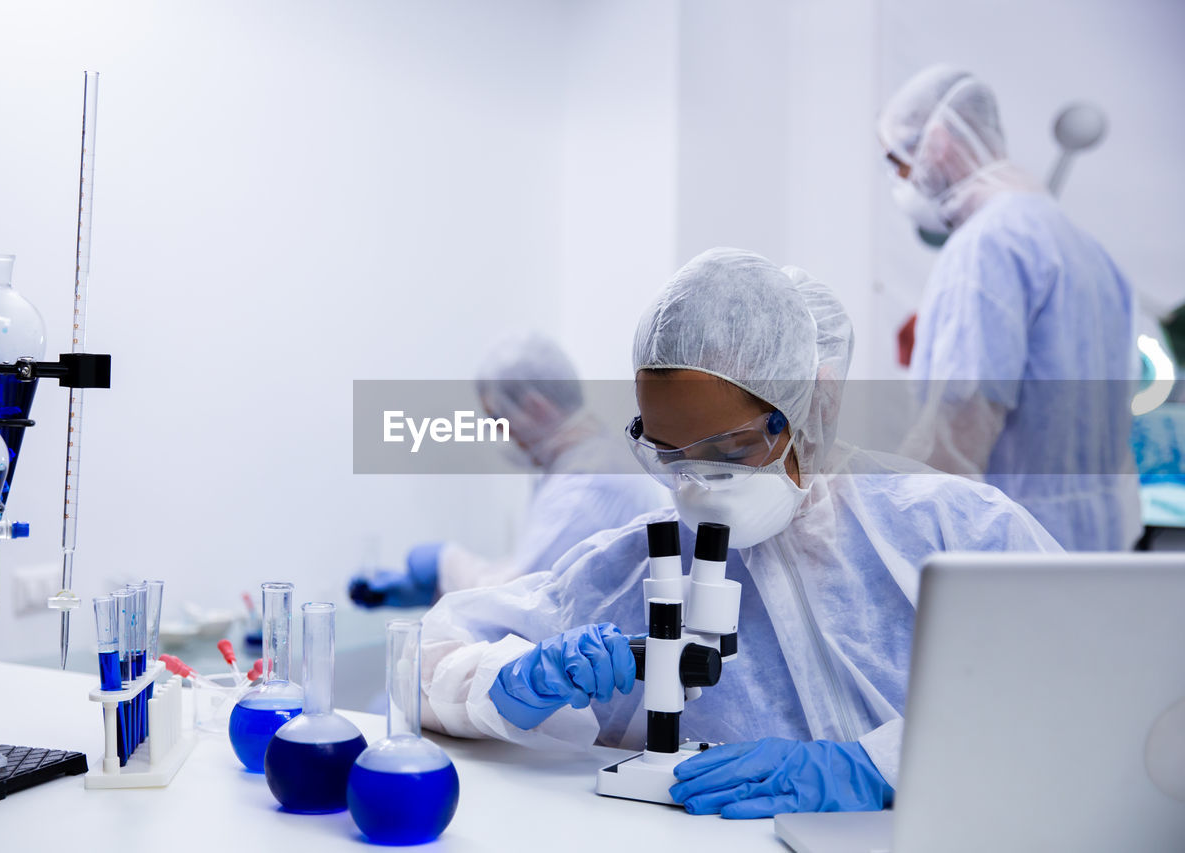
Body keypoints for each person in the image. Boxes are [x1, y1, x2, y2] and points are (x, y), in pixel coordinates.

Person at [418, 248, 1060, 819]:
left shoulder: (955, 527)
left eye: (730, 448)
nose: (699, 484)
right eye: (671, 455)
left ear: (816, 406)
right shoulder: (637, 563)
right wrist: (508, 681)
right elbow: (421, 667)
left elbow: (1084, 682)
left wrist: (882, 764)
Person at [880, 64, 1142, 551]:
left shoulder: (988, 244)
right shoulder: (1085, 248)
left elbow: (960, 416)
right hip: (1102, 542)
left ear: (937, 144)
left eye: (899, 161)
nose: (899, 180)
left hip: (1018, 552)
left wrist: (889, 526)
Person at [349, 332, 665, 608]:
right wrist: (434, 590)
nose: (502, 435)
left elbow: (523, 598)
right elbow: (541, 571)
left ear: (534, 407)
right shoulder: (582, 465)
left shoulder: (587, 484)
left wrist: (448, 563)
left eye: (498, 420)